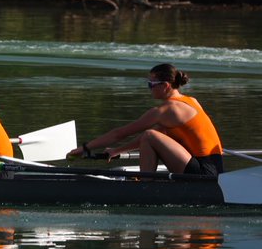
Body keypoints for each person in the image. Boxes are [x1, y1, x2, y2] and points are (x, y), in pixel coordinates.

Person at [69, 63, 224, 175]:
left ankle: (145, 185)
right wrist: (117, 151)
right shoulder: (191, 101)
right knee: (152, 134)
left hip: (203, 172)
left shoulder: (166, 110)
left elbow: (120, 133)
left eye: (151, 84)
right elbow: (154, 135)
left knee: (150, 135)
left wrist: (84, 148)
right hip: (215, 168)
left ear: (165, 86)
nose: (149, 88)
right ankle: (148, 181)